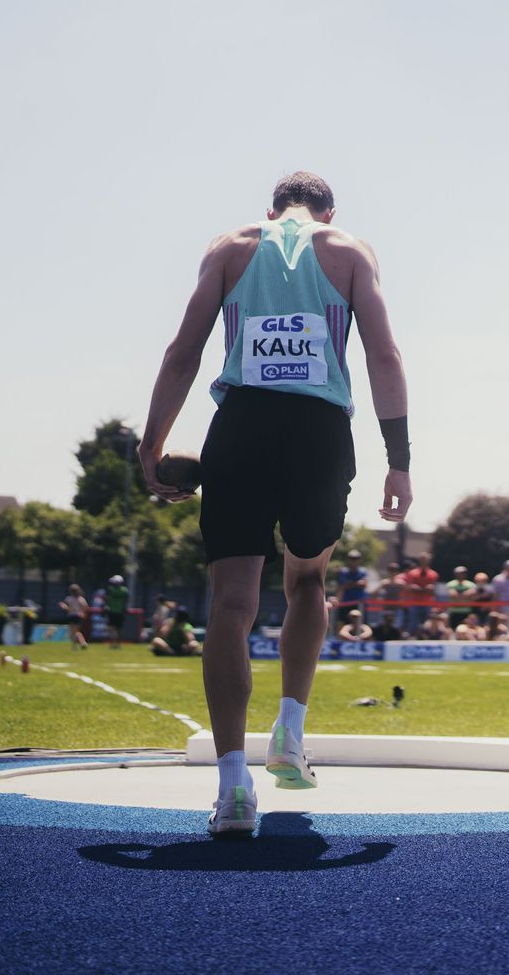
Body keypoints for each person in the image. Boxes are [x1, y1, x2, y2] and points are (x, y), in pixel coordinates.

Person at [137, 171, 411, 838]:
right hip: (319, 432)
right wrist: (398, 459)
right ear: (328, 212)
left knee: (232, 601)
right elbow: (382, 351)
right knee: (308, 577)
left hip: (242, 427)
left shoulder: (230, 246)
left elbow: (183, 352)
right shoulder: (350, 251)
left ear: (272, 209)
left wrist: (150, 449)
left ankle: (234, 786)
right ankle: (290, 731)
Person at [58, 585, 90, 650]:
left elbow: (66, 607)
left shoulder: (69, 598)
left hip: (72, 616)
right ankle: (75, 646)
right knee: (76, 631)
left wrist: (62, 605)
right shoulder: (81, 599)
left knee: (74, 632)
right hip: (79, 616)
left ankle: (82, 642)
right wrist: (83, 613)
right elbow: (85, 607)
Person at [104, 575, 129, 646]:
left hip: (112, 611)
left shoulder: (110, 589)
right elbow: (127, 600)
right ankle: (118, 643)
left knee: (111, 628)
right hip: (120, 612)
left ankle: (114, 643)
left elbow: (106, 599)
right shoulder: (124, 590)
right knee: (119, 629)